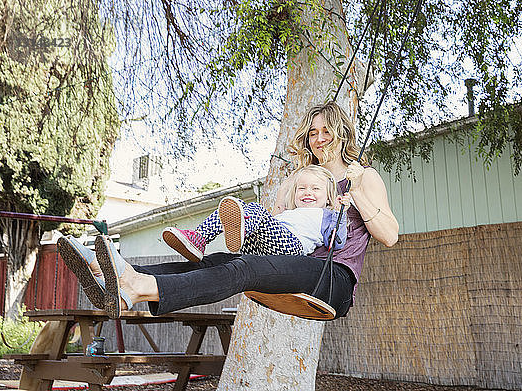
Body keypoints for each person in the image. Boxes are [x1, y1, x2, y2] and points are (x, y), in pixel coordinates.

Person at [57, 101, 400, 320]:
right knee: (218, 261)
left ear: (342, 133)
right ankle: (111, 272)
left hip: (332, 279)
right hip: (295, 263)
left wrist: (356, 191)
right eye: (313, 134)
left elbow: (389, 235)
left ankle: (137, 288)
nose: (319, 139)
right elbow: (280, 231)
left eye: (327, 131)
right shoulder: (301, 181)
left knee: (246, 266)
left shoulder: (364, 176)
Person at [161, 165, 349, 262]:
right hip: (260, 250)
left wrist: (343, 213)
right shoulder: (290, 214)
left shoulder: (328, 215)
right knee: (239, 207)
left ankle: (241, 227)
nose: (308, 192)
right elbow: (272, 224)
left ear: (328, 197)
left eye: (315, 188)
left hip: (291, 249)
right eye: (302, 188)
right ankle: (200, 238)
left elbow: (338, 243)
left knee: (257, 211)